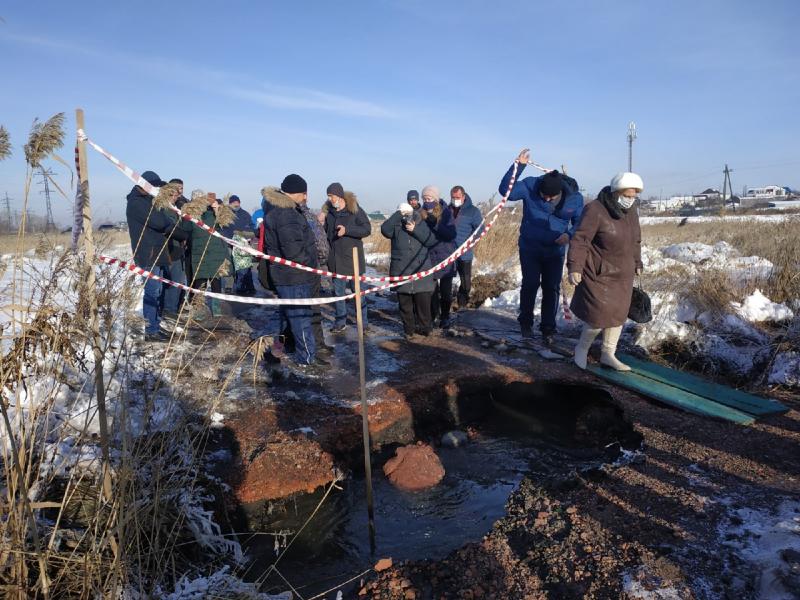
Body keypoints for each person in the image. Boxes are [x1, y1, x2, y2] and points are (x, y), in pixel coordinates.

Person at [498, 148, 584, 345]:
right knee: (529, 284)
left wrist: (568, 235)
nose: (546, 199)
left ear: (559, 193)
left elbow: (580, 222)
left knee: (551, 287)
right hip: (530, 247)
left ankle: (548, 328)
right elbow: (506, 191)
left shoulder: (575, 198)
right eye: (544, 196)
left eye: (551, 198)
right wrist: (518, 167)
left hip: (555, 251)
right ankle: (525, 323)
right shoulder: (531, 186)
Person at [567, 172, 644, 371]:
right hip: (599, 272)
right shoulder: (595, 209)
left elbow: (635, 239)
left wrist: (637, 261)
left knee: (618, 314)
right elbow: (580, 239)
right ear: (616, 192)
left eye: (634, 196)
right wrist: (575, 267)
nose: (630, 200)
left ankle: (608, 354)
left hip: (623, 273)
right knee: (598, 315)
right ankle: (582, 349)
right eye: (627, 195)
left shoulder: (632, 211)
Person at [262, 174, 326, 368]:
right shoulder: (286, 214)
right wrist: (310, 263)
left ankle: (278, 350)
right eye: (304, 194)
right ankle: (306, 359)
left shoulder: (281, 210)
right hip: (294, 276)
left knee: (289, 316)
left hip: (287, 275)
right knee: (301, 318)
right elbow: (294, 251)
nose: (305, 198)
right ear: (298, 193)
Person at [125, 170, 184, 341]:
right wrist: (166, 222)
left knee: (157, 291)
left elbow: (162, 221)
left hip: (156, 252)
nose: (158, 190)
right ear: (146, 185)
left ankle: (155, 325)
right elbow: (159, 222)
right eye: (156, 186)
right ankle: (151, 331)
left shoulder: (148, 201)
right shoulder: (137, 203)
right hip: (147, 254)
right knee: (152, 291)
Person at [381, 200, 437, 339]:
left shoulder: (420, 222)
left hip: (420, 269)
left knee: (422, 302)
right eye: (402, 214)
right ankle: (408, 330)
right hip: (401, 269)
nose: (405, 216)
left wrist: (415, 230)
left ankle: (425, 328)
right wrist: (398, 214)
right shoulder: (395, 225)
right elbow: (384, 230)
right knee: (405, 304)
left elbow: (431, 240)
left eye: (407, 213)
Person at [322, 182, 372, 333]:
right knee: (338, 294)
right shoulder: (329, 213)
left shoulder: (354, 210)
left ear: (340, 196)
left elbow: (367, 229)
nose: (330, 199)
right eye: (329, 196)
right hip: (336, 261)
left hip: (353, 260)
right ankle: (340, 322)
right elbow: (327, 234)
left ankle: (363, 323)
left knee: (359, 294)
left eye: (332, 196)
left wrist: (347, 230)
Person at [186, 192, 233, 319]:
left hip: (214, 254)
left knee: (216, 283)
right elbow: (185, 230)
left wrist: (216, 207)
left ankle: (216, 309)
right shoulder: (190, 215)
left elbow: (224, 223)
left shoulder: (213, 213)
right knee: (199, 285)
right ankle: (199, 310)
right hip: (199, 253)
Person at [421, 185, 457, 328]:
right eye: (424, 198)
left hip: (445, 256)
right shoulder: (421, 212)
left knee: (446, 292)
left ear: (435, 198)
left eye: (429, 198)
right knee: (431, 291)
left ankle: (446, 316)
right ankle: (433, 315)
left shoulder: (446, 212)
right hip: (429, 257)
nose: (426, 201)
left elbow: (450, 234)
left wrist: (435, 223)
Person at [450, 185, 483, 310]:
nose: (455, 199)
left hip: (465, 253)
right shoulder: (447, 210)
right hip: (449, 253)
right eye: (453, 197)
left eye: (457, 197)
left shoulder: (473, 211)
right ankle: (445, 305)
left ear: (463, 196)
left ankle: (462, 304)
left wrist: (469, 242)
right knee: (446, 281)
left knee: (466, 282)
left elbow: (480, 230)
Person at [163, 178, 190, 319]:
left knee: (179, 281)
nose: (178, 195)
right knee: (174, 281)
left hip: (179, 248)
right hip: (170, 248)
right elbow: (171, 228)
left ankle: (175, 306)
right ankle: (170, 310)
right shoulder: (165, 209)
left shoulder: (179, 206)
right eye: (175, 192)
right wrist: (184, 235)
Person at [223, 195, 256, 295]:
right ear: (230, 203)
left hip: (242, 244)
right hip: (229, 243)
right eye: (234, 202)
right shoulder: (226, 215)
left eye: (238, 202)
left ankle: (246, 286)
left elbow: (252, 228)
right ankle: (229, 286)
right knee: (229, 265)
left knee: (244, 266)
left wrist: (245, 235)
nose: (236, 204)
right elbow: (222, 229)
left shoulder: (245, 214)